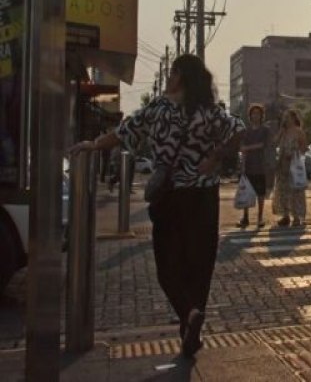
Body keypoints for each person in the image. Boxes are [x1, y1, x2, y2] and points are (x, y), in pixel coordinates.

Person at [70, 54, 244, 358]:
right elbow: (238, 130)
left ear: (179, 76)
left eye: (172, 72)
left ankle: (188, 317)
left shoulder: (159, 108)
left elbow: (125, 132)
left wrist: (94, 145)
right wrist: (214, 158)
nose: (169, 77)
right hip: (204, 198)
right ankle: (192, 325)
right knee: (199, 267)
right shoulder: (209, 111)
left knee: (168, 268)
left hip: (171, 197)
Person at [238, 103, 275, 229]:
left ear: (261, 116)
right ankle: (245, 217)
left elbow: (262, 145)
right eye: (253, 113)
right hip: (248, 165)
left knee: (260, 193)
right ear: (250, 116)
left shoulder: (265, 130)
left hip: (261, 165)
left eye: (258, 114)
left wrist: (247, 148)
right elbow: (242, 149)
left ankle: (260, 218)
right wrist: (242, 165)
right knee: (246, 192)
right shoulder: (246, 131)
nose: (255, 116)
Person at [272, 109, 308, 227]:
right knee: (283, 190)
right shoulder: (284, 131)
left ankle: (297, 217)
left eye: (287, 117)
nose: (285, 119)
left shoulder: (299, 131)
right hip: (282, 165)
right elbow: (274, 142)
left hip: (294, 164)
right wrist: (281, 131)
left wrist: (294, 153)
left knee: (295, 191)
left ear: (293, 118)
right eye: (284, 117)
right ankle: (285, 215)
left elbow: (304, 147)